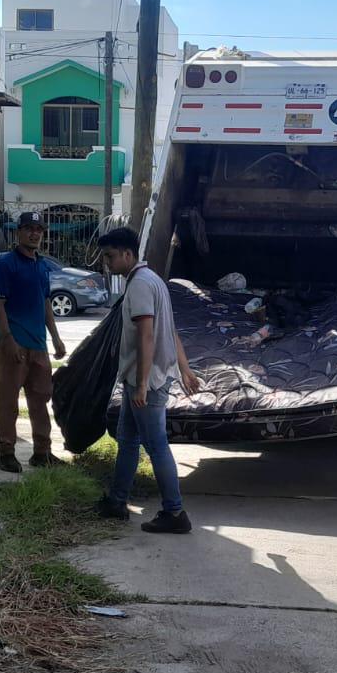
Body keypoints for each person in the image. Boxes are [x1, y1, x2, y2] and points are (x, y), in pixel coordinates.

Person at [93, 226, 201, 534]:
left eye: (111, 256)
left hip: (147, 382)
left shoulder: (140, 284)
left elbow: (147, 335)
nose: (107, 263)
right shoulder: (153, 280)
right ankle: (117, 501)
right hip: (143, 378)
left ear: (128, 254)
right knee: (128, 440)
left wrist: (141, 384)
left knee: (156, 446)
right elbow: (171, 329)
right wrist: (185, 368)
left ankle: (175, 512)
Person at [0, 210, 66, 474]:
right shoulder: (5, 265)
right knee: (8, 402)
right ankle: (6, 453)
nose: (35, 233)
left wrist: (55, 337)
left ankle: (42, 452)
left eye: (39, 229)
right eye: (29, 228)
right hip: (13, 345)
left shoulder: (41, 265)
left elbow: (45, 302)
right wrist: (7, 338)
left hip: (39, 346)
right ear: (18, 232)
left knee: (40, 399)